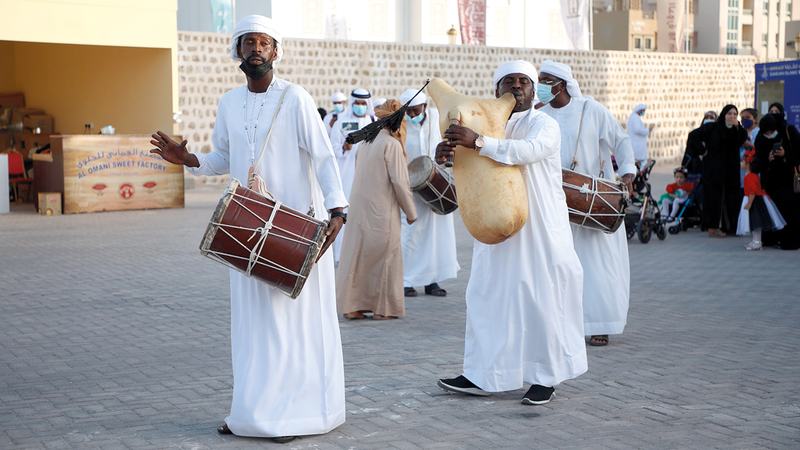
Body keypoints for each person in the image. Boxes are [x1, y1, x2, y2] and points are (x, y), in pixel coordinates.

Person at [149, 15, 347, 442]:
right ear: (237, 52)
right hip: (248, 231)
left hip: (293, 233)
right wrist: (190, 160)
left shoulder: (295, 99)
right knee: (253, 328)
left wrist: (337, 211)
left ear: (275, 52)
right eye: (248, 42)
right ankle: (251, 412)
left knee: (291, 325)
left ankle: (296, 415)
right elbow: (223, 157)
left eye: (263, 42)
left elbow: (325, 157)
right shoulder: (228, 103)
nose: (255, 49)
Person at [434, 60, 586, 405]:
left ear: (535, 92)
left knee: (539, 299)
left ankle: (544, 378)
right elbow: (469, 169)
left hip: (539, 230)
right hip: (496, 229)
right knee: (486, 297)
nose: (516, 87)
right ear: (496, 91)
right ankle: (480, 374)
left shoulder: (542, 123)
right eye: (508, 82)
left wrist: (479, 142)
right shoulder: (483, 124)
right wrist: (446, 154)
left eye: (524, 82)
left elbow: (526, 152)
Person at [536, 59, 634, 348]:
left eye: (545, 80)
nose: (540, 86)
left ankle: (601, 324)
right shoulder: (540, 116)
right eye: (539, 80)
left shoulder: (592, 110)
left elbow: (622, 140)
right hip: (555, 202)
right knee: (561, 267)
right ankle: (565, 323)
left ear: (561, 85)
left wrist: (628, 172)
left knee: (598, 266)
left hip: (594, 201)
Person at [336, 99, 418, 320]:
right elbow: (400, 182)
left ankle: (353, 306)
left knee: (359, 256)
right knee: (387, 258)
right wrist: (411, 212)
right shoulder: (391, 145)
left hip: (360, 210)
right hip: (382, 210)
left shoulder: (366, 142)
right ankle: (385, 309)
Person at [399, 88, 460, 298]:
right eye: (409, 112)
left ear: (425, 107)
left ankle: (432, 281)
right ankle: (406, 280)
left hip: (437, 185)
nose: (413, 115)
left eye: (416, 111)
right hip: (411, 188)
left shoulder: (438, 119)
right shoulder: (400, 125)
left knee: (437, 237)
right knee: (410, 235)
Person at [330, 88, 376, 262]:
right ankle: (342, 256)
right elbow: (331, 148)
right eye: (357, 103)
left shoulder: (374, 122)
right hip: (347, 175)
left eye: (363, 104)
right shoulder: (341, 123)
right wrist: (343, 148)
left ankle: (365, 256)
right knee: (346, 215)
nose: (360, 106)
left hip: (369, 176)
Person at [697, 105, 747, 237]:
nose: (732, 117)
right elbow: (693, 136)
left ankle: (730, 227)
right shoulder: (712, 128)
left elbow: (742, 138)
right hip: (714, 170)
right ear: (724, 115)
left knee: (731, 198)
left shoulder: (736, 130)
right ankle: (713, 228)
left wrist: (737, 126)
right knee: (714, 198)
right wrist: (703, 152)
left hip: (731, 170)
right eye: (729, 114)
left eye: (735, 114)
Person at [754, 115, 799, 250]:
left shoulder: (788, 133)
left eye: (771, 132)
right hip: (770, 183)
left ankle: (789, 241)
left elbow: (797, 154)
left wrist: (785, 154)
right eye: (766, 133)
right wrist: (768, 159)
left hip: (787, 181)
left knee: (788, 211)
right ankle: (771, 239)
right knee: (771, 210)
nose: (769, 135)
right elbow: (757, 162)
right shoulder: (761, 139)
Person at [736, 150, 786, 250]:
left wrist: (749, 203)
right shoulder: (750, 176)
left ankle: (758, 241)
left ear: (748, 164)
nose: (741, 163)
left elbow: (753, 191)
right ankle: (755, 240)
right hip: (752, 199)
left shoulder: (750, 177)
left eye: (742, 161)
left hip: (754, 202)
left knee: (756, 223)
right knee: (754, 223)